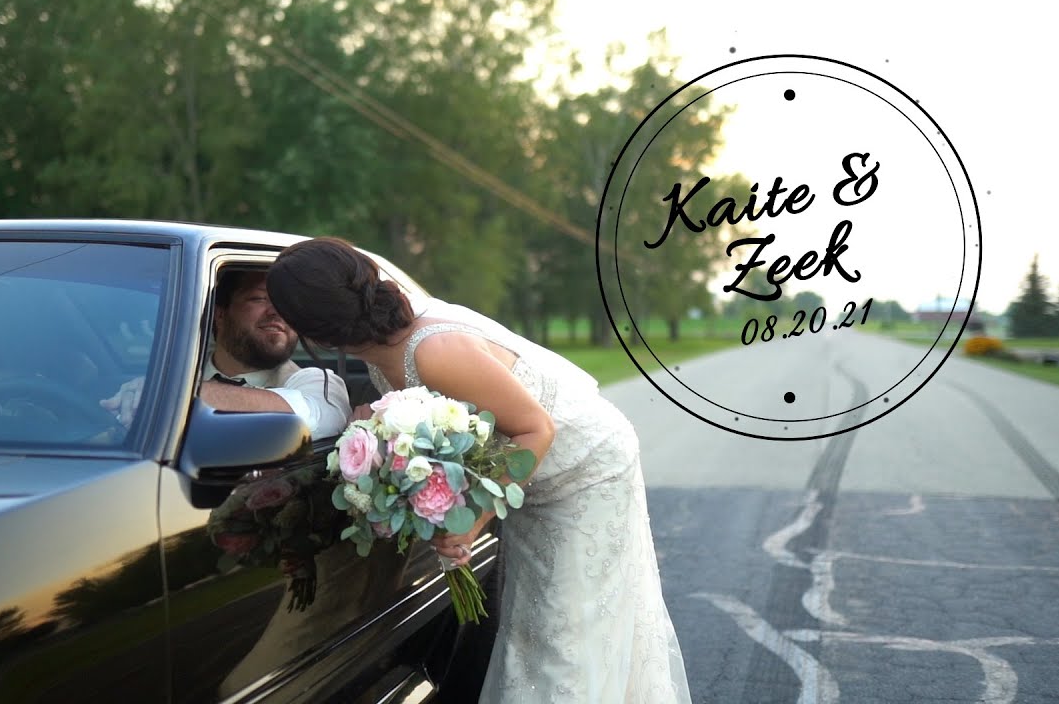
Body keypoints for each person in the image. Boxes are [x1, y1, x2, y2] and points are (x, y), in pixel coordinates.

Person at [265, 237, 692, 704]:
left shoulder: (434, 351)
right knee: (530, 620)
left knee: (566, 633)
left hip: (585, 470)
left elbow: (536, 430)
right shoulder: (386, 350)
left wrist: (471, 521)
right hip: (530, 476)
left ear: (319, 336)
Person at [101, 269, 351, 439]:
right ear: (220, 314)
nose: (276, 312)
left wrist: (172, 395)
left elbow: (319, 417)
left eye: (285, 303)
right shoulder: (174, 375)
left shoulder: (317, 381)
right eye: (259, 298)